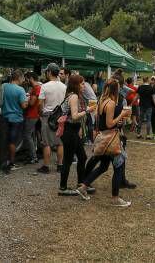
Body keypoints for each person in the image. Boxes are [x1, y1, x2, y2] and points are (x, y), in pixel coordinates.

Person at [76, 79, 132, 207]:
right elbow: (109, 124)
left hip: (104, 137)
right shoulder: (111, 103)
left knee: (103, 166)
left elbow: (104, 120)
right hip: (110, 138)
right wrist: (122, 114)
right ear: (115, 89)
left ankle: (83, 186)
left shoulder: (102, 100)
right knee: (118, 166)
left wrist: (117, 120)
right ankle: (115, 198)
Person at [59, 75, 96, 196]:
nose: (84, 86)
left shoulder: (73, 95)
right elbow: (74, 116)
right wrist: (87, 111)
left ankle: (81, 184)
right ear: (76, 85)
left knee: (82, 157)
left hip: (73, 130)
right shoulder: (74, 96)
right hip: (69, 131)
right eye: (82, 84)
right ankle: (63, 188)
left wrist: (79, 128)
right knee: (68, 160)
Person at [37, 63, 66, 174]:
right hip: (60, 116)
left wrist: (41, 112)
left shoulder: (45, 86)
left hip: (48, 116)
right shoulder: (64, 86)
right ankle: (60, 165)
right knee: (60, 142)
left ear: (49, 72)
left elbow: (40, 103)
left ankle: (46, 166)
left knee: (46, 142)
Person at [1, 70, 28, 170]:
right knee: (12, 142)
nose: (23, 80)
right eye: (23, 78)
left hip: (4, 117)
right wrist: (27, 101)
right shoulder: (20, 90)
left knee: (4, 140)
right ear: (19, 78)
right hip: (16, 118)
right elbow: (23, 105)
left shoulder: (4, 86)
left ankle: (3, 161)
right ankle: (11, 163)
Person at [23, 72, 41, 164]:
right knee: (32, 136)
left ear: (31, 78)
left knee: (27, 135)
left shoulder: (36, 88)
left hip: (32, 115)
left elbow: (31, 103)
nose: (26, 81)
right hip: (35, 115)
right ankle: (33, 155)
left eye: (27, 79)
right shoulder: (37, 88)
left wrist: (26, 99)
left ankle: (33, 157)